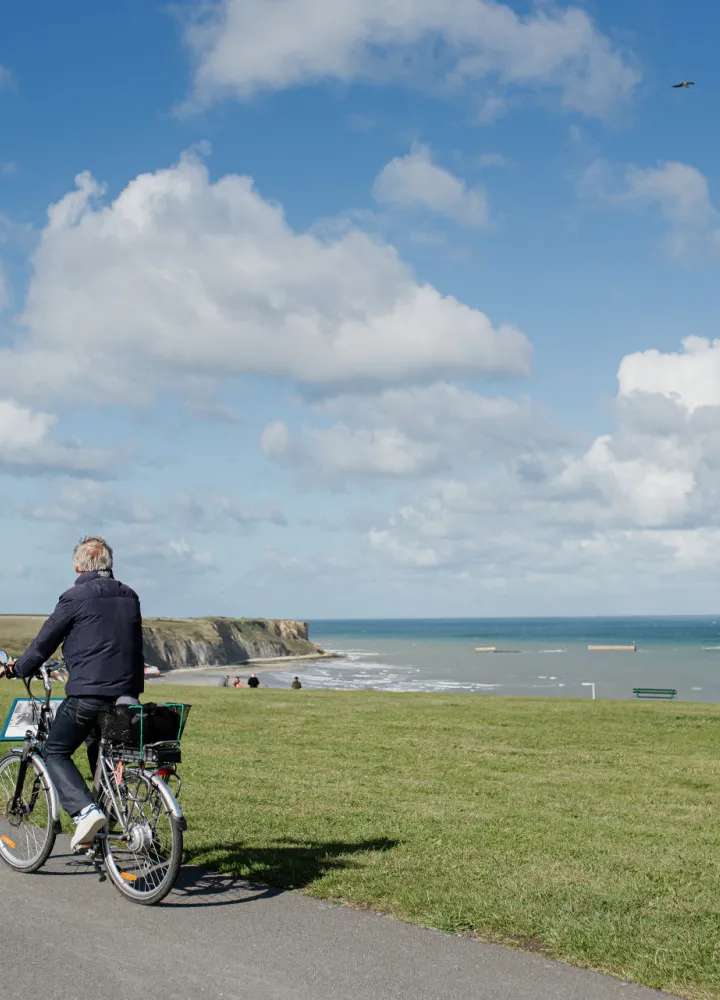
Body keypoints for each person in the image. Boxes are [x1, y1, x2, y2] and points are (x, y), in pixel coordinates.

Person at [0, 537, 144, 852]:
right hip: (127, 694)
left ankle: (85, 811)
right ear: (109, 564)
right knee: (102, 752)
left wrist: (17, 669)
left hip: (89, 693)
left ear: (78, 566)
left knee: (55, 750)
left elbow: (43, 643)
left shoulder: (75, 596)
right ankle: (111, 825)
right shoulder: (129, 595)